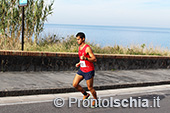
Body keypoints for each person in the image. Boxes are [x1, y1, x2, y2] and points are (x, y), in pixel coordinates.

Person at [72, 32, 98, 107]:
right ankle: (86, 94)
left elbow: (94, 59)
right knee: (75, 84)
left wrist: (86, 58)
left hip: (89, 70)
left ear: (83, 39)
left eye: (78, 39)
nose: (77, 41)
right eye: (77, 39)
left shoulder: (87, 48)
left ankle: (96, 100)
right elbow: (82, 58)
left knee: (90, 87)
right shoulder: (80, 47)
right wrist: (79, 63)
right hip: (82, 69)